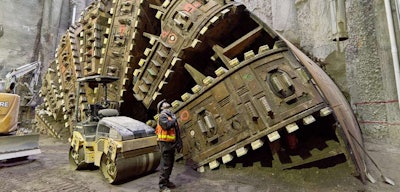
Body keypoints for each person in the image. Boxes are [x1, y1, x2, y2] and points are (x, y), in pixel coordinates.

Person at [156, 100, 182, 192]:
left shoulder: (170, 115)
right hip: (165, 144)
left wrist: (178, 142)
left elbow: (176, 131)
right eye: (163, 103)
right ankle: (162, 186)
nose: (166, 103)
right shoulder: (162, 116)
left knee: (170, 164)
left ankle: (166, 181)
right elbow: (166, 126)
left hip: (170, 143)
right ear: (162, 107)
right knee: (165, 164)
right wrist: (174, 119)